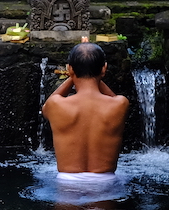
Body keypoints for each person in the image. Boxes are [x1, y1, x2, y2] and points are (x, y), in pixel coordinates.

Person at [42, 42, 129, 197]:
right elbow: (113, 97)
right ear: (104, 69)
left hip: (67, 182)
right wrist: (92, 73)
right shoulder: (120, 104)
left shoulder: (55, 105)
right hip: (105, 183)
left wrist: (73, 76)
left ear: (70, 69)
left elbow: (46, 107)